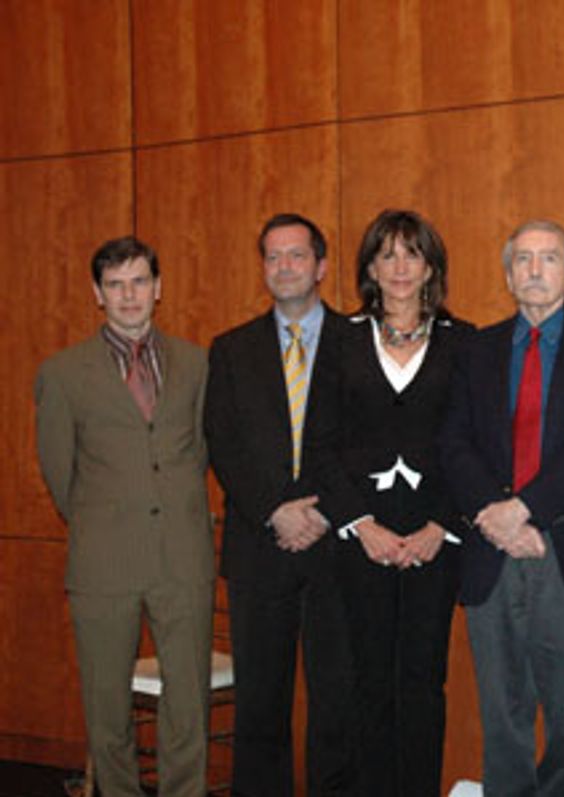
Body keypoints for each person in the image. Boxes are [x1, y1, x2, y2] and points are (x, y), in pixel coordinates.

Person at [440, 219, 564, 796]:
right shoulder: (474, 350)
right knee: (503, 718)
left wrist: (525, 511)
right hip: (491, 553)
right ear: (507, 275)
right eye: (522, 259)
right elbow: (453, 443)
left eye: (548, 258)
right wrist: (497, 516)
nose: (534, 269)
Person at [35, 236, 213, 797]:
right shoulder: (63, 374)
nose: (128, 295)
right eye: (115, 285)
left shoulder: (196, 362)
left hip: (183, 557)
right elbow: (59, 473)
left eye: (139, 282)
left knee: (188, 704)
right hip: (103, 563)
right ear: (97, 294)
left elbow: (202, 451)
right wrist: (105, 519)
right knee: (107, 707)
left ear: (158, 289)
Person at [316, 210, 473, 796]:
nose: (400, 267)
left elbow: (477, 445)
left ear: (430, 265)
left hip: (437, 541)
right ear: (370, 269)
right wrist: (360, 523)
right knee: (369, 683)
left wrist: (443, 525)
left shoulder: (466, 342)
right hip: (363, 540)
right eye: (387, 255)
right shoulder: (339, 341)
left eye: (412, 254)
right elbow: (320, 446)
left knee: (422, 683)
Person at [204, 213, 355, 796]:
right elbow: (223, 442)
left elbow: (364, 444)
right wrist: (276, 509)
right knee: (260, 707)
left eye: (296, 255)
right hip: (258, 548)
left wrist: (319, 513)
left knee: (337, 702)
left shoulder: (357, 343)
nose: (284, 266)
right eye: (273, 256)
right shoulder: (232, 350)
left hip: (335, 550)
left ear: (320, 266)